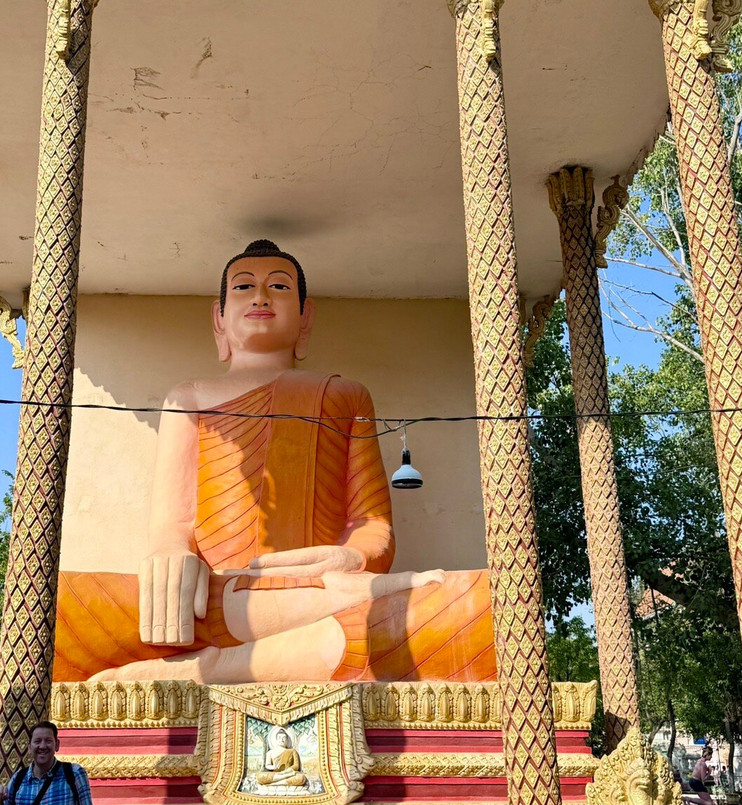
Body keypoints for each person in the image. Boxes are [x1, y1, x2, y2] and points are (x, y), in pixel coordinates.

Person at [53, 239, 496, 683]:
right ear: (219, 318)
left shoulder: (344, 395)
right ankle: (298, 644)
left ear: (306, 318)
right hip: (215, 595)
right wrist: (171, 554)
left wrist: (351, 560)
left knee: (481, 606)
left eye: (279, 287)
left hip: (319, 587)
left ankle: (209, 668)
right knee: (58, 607)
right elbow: (174, 523)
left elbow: (373, 525)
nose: (261, 297)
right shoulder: (187, 398)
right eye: (244, 287)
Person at [0, 723, 93, 805]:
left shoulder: (73, 774)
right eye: (37, 741)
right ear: (29, 747)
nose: (43, 746)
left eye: (48, 741)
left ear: (57, 745)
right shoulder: (18, 779)